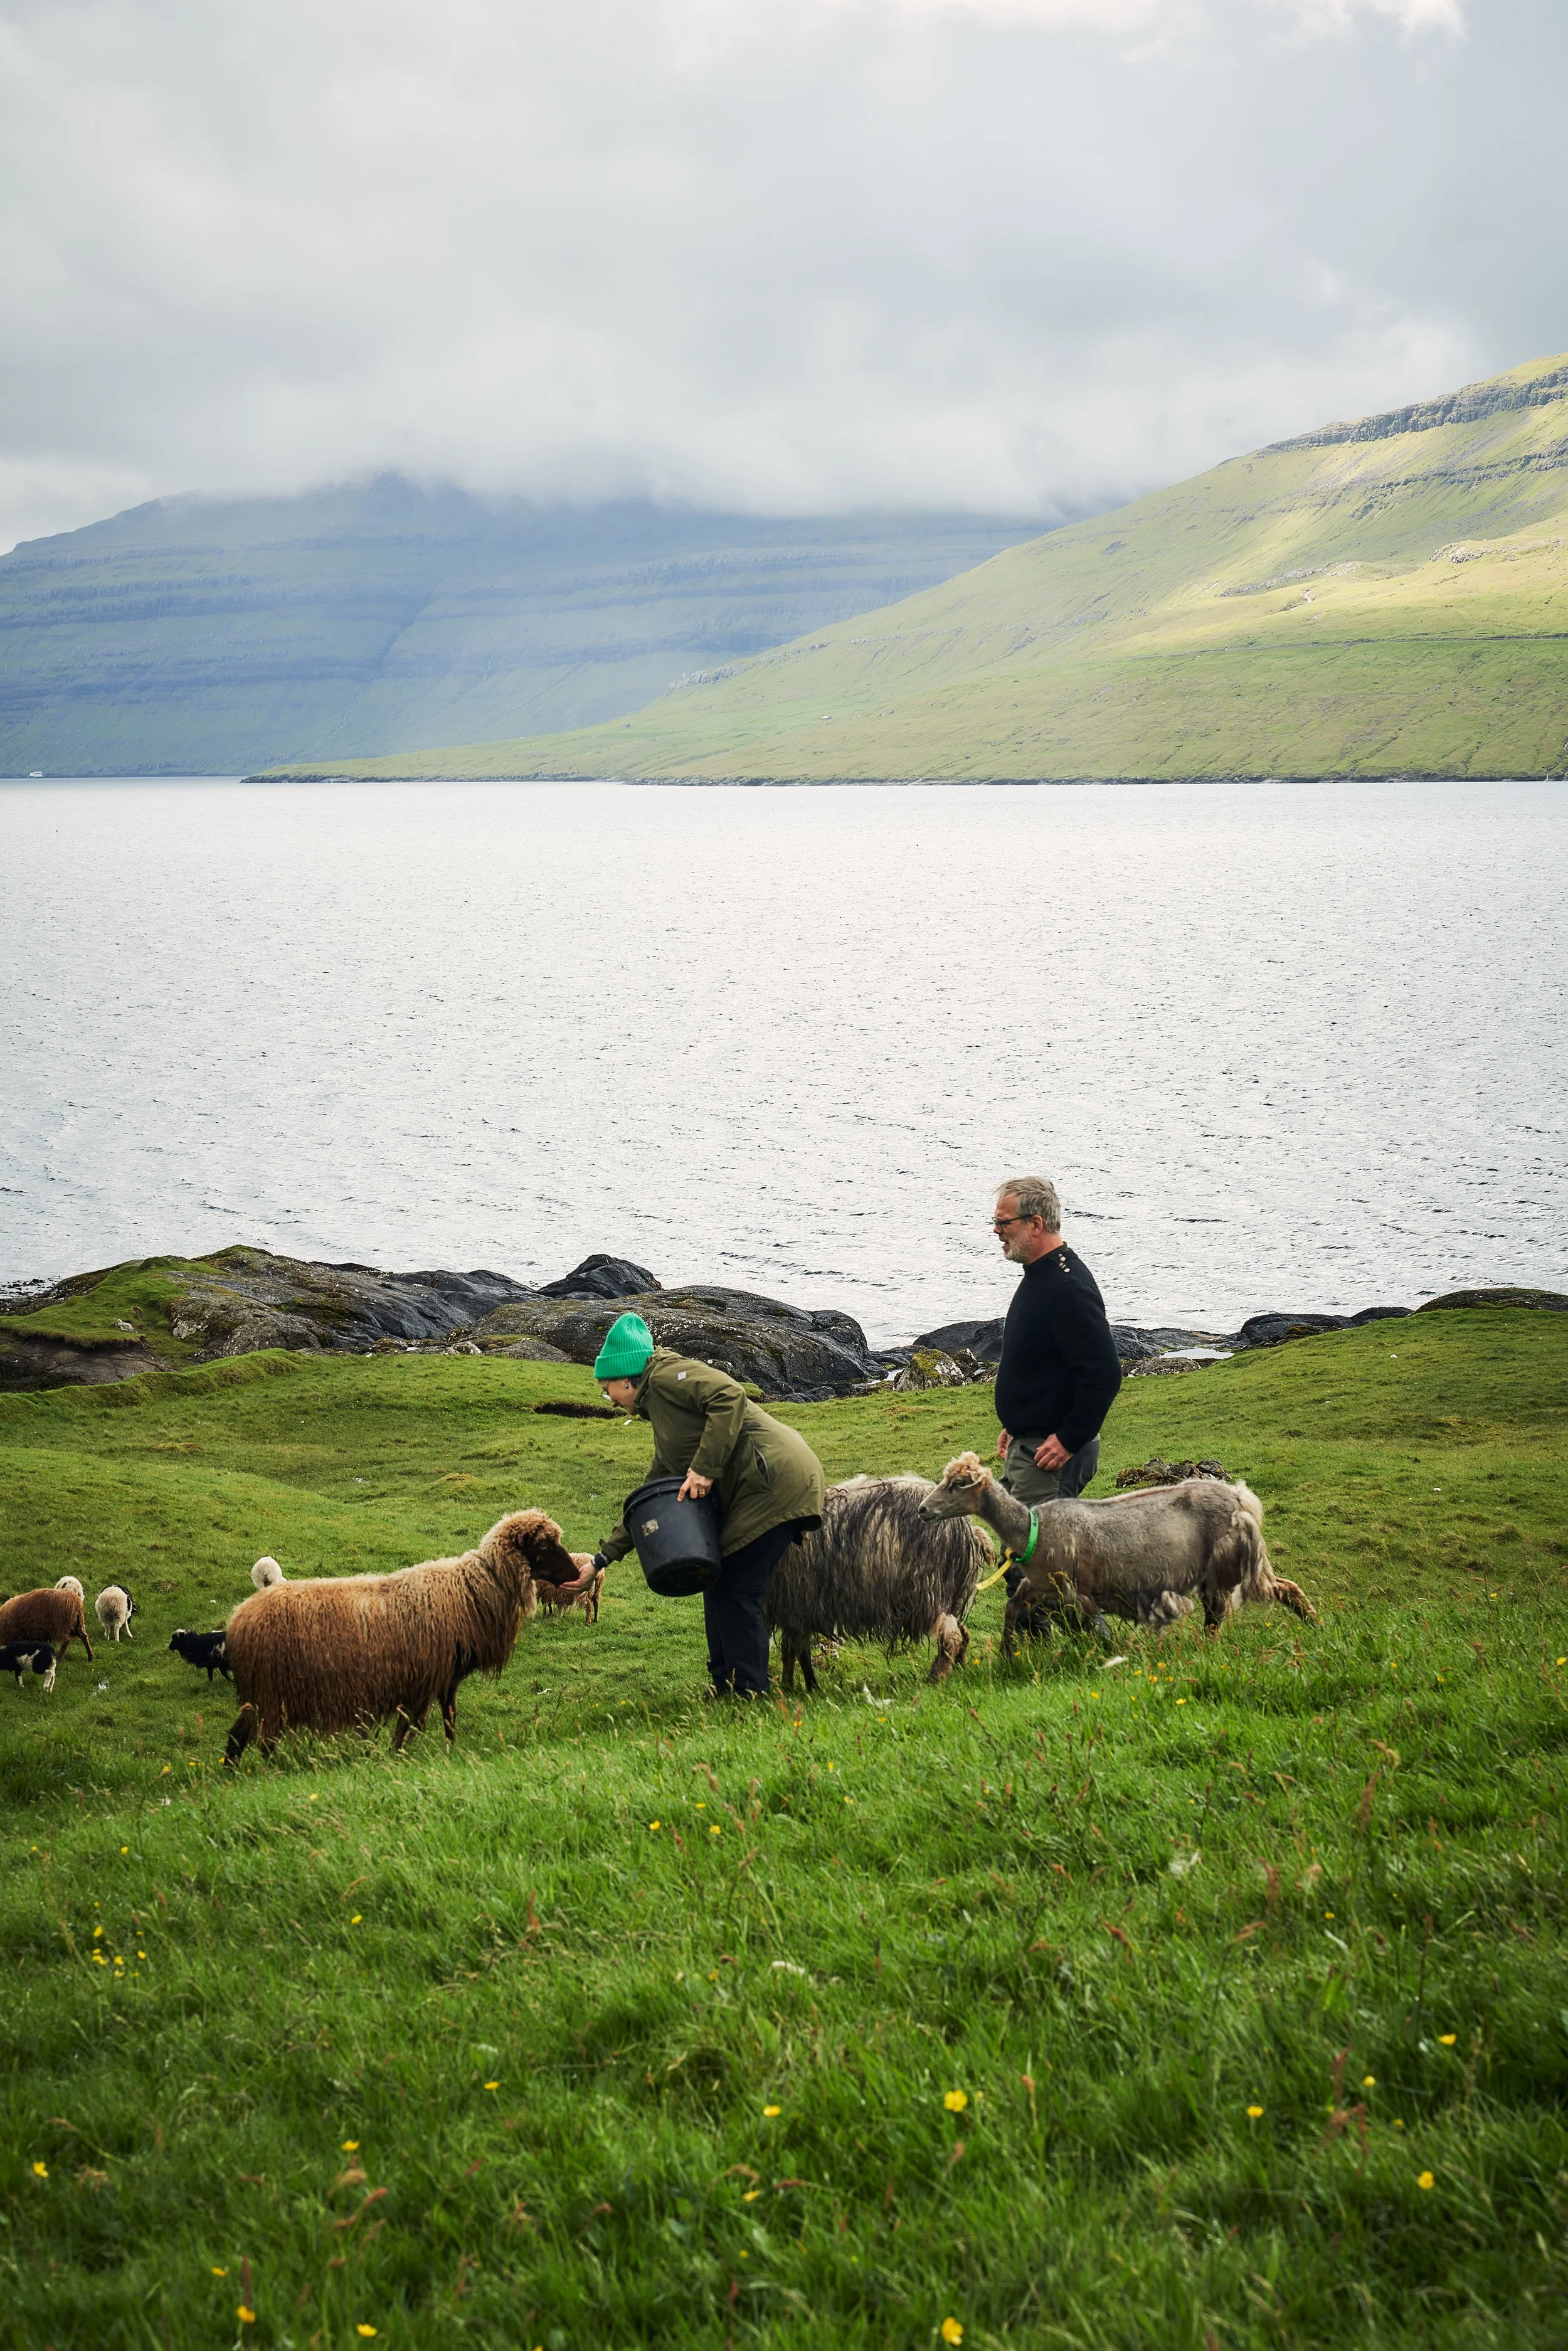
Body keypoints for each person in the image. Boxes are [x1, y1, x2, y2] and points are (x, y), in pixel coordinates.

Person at [587, 1312, 825, 1700]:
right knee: (719, 1581)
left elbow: (729, 1396)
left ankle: (750, 1693)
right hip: (763, 1484)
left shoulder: (665, 1377)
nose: (609, 1399)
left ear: (627, 1378)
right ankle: (726, 1685)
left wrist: (704, 1469)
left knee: (736, 1586)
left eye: (607, 1388)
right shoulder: (662, 1411)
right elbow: (652, 1494)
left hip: (773, 1480)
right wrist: (600, 1561)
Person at [991, 1176, 1121, 1537]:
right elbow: (1046, 1362)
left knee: (1034, 1568)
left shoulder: (1066, 1288)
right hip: (1031, 1441)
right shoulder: (1041, 1274)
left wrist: (1069, 1438)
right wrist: (1017, 1424)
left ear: (1036, 1224)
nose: (997, 1231)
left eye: (1004, 1222)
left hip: (1047, 1455)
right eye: (996, 1222)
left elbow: (1105, 1374)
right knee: (1023, 1554)